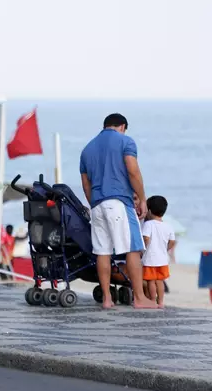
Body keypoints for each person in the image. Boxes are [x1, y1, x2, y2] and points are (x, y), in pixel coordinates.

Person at [79, 113, 157, 309]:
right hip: (119, 203)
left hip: (97, 204)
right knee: (133, 248)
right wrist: (142, 198)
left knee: (102, 252)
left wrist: (94, 203)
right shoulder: (126, 141)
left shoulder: (87, 149)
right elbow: (133, 170)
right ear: (122, 126)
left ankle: (107, 299)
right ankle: (139, 298)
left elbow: (86, 184)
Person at [141, 195, 175, 308]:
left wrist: (143, 249)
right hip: (163, 259)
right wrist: (165, 249)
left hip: (150, 258)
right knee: (160, 281)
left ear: (149, 211)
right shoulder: (168, 226)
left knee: (151, 281)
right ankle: (160, 302)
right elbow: (172, 241)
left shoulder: (148, 224)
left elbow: (145, 238)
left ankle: (152, 300)